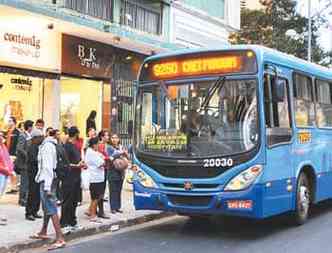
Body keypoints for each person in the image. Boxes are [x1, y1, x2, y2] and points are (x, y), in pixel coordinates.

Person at [33, 129, 65, 250]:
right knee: (47, 207)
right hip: (50, 180)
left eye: (33, 139)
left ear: (38, 138)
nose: (32, 142)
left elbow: (47, 167)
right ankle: (43, 230)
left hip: (47, 181)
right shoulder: (49, 145)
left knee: (51, 208)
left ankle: (60, 238)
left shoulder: (46, 147)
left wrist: (47, 187)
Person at [60, 126, 85, 233]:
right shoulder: (67, 147)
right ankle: (64, 223)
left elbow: (78, 160)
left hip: (76, 177)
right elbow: (65, 164)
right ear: (76, 134)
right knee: (67, 201)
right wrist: (76, 165)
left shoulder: (75, 146)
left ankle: (72, 222)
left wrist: (82, 164)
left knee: (74, 201)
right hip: (68, 178)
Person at [85, 137, 105, 223]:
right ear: (94, 145)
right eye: (98, 144)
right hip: (95, 178)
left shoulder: (93, 152)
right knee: (95, 198)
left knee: (99, 196)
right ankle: (93, 215)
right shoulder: (91, 153)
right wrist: (103, 158)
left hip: (98, 177)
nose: (99, 145)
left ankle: (89, 210)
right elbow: (101, 163)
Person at [25, 128, 44, 221]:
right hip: (33, 173)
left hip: (37, 173)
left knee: (37, 193)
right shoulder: (32, 147)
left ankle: (35, 211)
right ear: (35, 138)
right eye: (40, 137)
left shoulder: (38, 146)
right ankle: (29, 212)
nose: (42, 139)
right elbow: (34, 160)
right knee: (32, 192)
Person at [107, 134, 129, 214]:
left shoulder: (121, 147)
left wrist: (125, 154)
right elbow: (110, 157)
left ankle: (118, 207)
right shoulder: (109, 148)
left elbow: (127, 157)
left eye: (116, 138)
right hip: (112, 171)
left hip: (121, 171)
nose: (114, 139)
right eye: (112, 137)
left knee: (119, 190)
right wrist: (120, 153)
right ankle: (113, 207)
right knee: (113, 190)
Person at [16, 120, 34, 206]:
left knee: (27, 182)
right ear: (29, 127)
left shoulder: (28, 135)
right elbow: (20, 148)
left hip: (28, 163)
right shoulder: (23, 135)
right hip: (24, 163)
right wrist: (27, 155)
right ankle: (22, 200)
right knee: (24, 182)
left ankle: (24, 198)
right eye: (32, 126)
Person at [0, 131, 14, 225]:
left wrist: (10, 170)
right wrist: (6, 170)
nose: (1, 137)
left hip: (4, 173)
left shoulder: (3, 146)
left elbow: (7, 159)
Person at [5, 116, 20, 194]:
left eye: (10, 121)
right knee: (11, 171)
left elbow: (18, 144)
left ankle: (15, 187)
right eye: (8, 121)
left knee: (13, 171)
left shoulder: (17, 132)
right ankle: (13, 187)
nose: (8, 123)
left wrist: (16, 154)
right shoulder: (8, 131)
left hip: (13, 154)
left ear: (14, 122)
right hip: (7, 154)